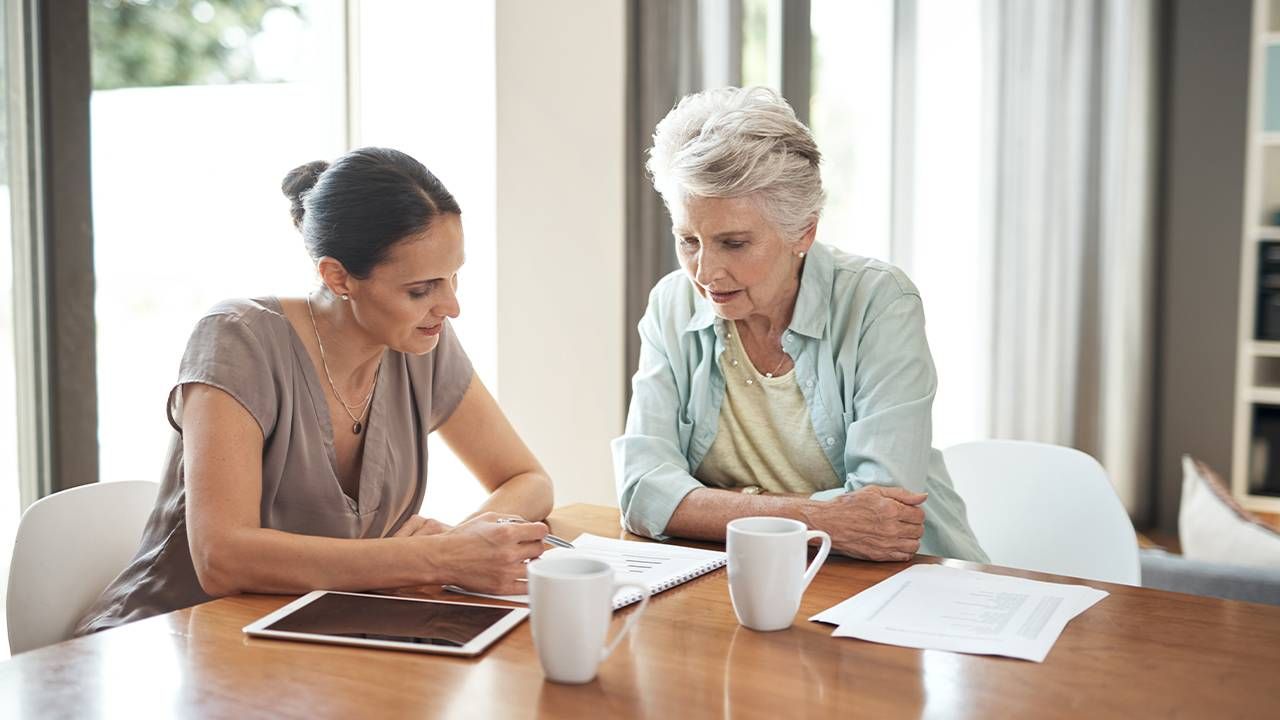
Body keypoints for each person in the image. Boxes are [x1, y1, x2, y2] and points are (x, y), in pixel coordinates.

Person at [76, 147, 553, 635]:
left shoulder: (421, 345)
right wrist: (434, 558)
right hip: (167, 642)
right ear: (337, 276)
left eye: (454, 277)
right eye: (421, 289)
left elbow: (528, 480)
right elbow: (222, 558)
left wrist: (463, 541)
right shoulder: (238, 339)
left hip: (315, 643)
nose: (450, 306)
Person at [612, 87, 987, 563]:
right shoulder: (672, 303)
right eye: (688, 240)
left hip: (897, 583)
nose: (705, 273)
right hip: (742, 575)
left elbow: (882, 513)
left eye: (734, 243)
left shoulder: (879, 302)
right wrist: (822, 519)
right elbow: (642, 491)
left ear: (803, 231)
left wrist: (704, 509)